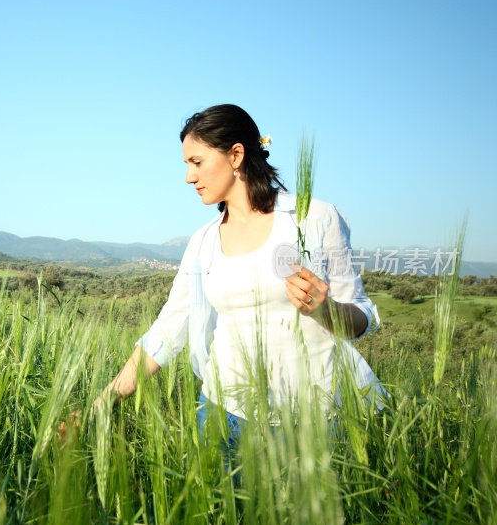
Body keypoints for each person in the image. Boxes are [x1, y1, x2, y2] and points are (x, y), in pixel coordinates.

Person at [87, 104, 384, 446]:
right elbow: (165, 333)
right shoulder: (203, 243)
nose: (188, 176)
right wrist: (102, 403)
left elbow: (362, 314)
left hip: (319, 420)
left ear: (236, 155)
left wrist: (325, 309)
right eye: (186, 164)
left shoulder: (316, 219)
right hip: (223, 418)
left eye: (196, 162)